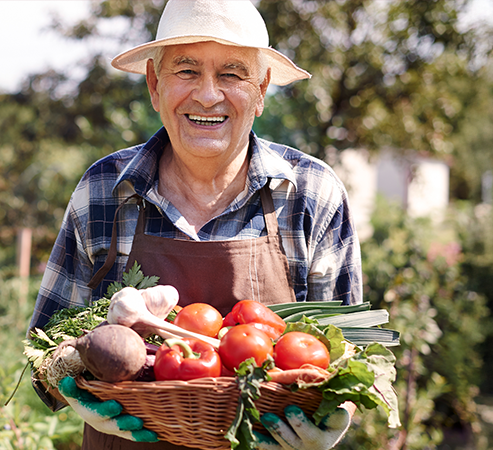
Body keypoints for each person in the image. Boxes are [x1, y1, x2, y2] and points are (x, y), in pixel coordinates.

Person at [29, 1, 362, 449]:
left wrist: (334, 420)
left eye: (232, 73)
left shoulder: (312, 194)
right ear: (154, 85)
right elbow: (45, 350)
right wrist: (73, 389)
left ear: (261, 89)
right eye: (186, 71)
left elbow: (352, 357)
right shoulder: (103, 191)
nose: (208, 95)